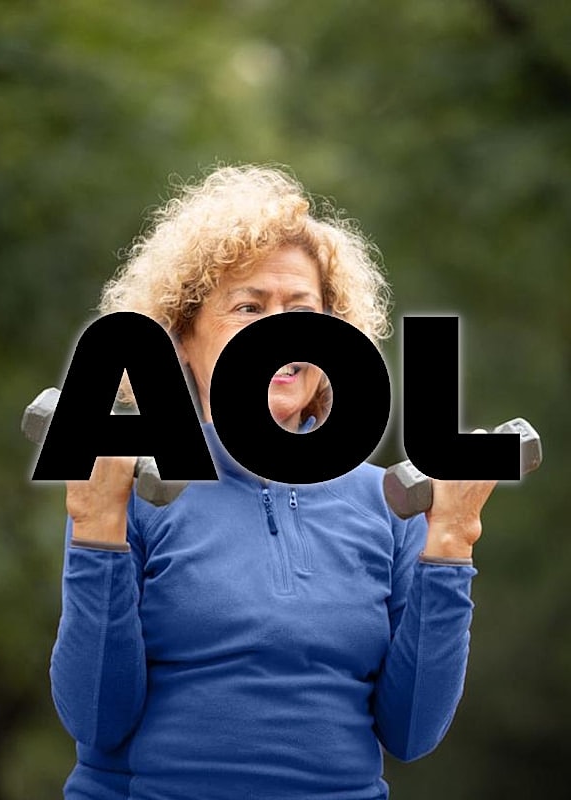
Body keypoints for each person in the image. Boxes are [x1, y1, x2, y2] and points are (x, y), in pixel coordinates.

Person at [51, 164, 496, 800]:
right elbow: (96, 718)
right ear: (182, 337)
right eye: (248, 307)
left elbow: (412, 733)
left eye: (301, 310)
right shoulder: (128, 488)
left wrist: (451, 540)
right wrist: (96, 531)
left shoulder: (388, 504)